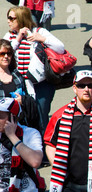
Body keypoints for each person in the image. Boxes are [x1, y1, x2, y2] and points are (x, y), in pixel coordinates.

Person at [4, 6, 65, 136]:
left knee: (41, 116)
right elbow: (5, 54)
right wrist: (17, 39)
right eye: (8, 18)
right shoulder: (9, 36)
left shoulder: (39, 31)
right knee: (22, 117)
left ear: (21, 19)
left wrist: (42, 39)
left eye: (11, 18)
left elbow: (60, 48)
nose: (8, 21)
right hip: (19, 84)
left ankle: (44, 151)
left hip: (41, 84)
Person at [0, 39, 39, 131]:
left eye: (9, 54)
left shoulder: (17, 75)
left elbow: (29, 97)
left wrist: (23, 100)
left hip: (18, 123)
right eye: (2, 53)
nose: (6, 56)